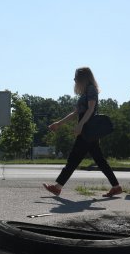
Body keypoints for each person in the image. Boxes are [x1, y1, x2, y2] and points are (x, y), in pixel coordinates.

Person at [43, 66, 122, 197]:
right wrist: (59, 123)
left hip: (87, 131)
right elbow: (76, 112)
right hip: (88, 131)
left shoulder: (91, 89)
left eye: (76, 78)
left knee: (74, 159)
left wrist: (80, 125)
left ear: (83, 78)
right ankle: (116, 186)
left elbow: (91, 109)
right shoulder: (85, 92)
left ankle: (58, 187)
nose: (74, 80)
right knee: (99, 160)